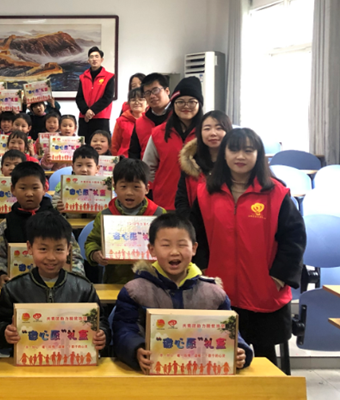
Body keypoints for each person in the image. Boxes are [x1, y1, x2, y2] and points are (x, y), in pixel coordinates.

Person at [189, 128, 306, 368]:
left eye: (248, 150)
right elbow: (195, 237)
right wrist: (202, 272)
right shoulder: (205, 193)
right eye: (233, 150)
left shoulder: (277, 193)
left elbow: (294, 239)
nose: (240, 156)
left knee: (264, 363)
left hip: (265, 291)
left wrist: (279, 277)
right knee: (221, 359)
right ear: (223, 154)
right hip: (219, 290)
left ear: (258, 155)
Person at [111, 213, 253, 373]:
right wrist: (136, 349)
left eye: (182, 245)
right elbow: (124, 330)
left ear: (194, 248)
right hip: (152, 373)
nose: (174, 252)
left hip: (203, 374)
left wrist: (239, 350)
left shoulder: (214, 294)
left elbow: (230, 332)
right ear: (152, 249)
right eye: (166, 245)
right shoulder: (135, 291)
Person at [0, 211, 109, 351]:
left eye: (59, 249)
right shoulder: (13, 289)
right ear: (29, 248)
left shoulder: (84, 288)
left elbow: (100, 322)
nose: (51, 257)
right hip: (29, 358)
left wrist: (102, 334)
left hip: (71, 358)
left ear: (69, 249)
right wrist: (5, 333)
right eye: (43, 249)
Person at [0, 162, 84, 287]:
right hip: (20, 286)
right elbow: (1, 257)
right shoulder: (7, 224)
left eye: (35, 188)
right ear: (13, 190)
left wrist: (76, 280)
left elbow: (74, 256)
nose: (29, 193)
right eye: (23, 188)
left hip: (58, 286)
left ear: (45, 188)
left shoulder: (59, 222)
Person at [85, 158, 166, 284]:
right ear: (114, 187)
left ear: (147, 188)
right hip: (115, 280)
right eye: (123, 186)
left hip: (153, 282)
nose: (129, 192)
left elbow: (168, 244)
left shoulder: (159, 215)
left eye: (136, 187)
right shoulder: (106, 215)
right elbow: (92, 242)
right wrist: (95, 254)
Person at [143, 76, 203, 211]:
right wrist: (158, 187)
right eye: (180, 101)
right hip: (165, 203)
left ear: (199, 104)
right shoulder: (159, 133)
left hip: (200, 204)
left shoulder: (207, 134)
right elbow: (148, 168)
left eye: (192, 101)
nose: (186, 106)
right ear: (173, 104)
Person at [176, 110, 232, 219]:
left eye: (219, 128)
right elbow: (181, 199)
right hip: (194, 224)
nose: (213, 133)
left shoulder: (235, 164)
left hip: (226, 223)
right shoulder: (191, 161)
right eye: (207, 128)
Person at [76, 46, 115, 143]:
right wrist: (86, 111)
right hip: (84, 117)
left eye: (96, 56)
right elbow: (79, 98)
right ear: (88, 60)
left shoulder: (109, 77)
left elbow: (108, 97)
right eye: (91, 57)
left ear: (101, 60)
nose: (94, 59)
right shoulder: (82, 77)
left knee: (101, 145)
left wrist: (92, 110)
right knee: (84, 145)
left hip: (101, 117)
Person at [128, 73, 171, 160]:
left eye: (156, 90)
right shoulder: (140, 123)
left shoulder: (179, 117)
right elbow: (134, 154)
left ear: (167, 91)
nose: (152, 96)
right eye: (147, 93)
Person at [53, 145, 100, 217]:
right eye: (79, 165)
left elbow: (110, 203)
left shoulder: (103, 185)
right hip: (70, 221)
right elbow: (55, 202)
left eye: (89, 165)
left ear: (97, 168)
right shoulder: (64, 183)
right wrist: (57, 206)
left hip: (95, 221)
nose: (84, 169)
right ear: (73, 167)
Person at [112, 87, 147, 157]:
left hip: (145, 159)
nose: (137, 102)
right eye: (133, 100)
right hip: (125, 159)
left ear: (147, 103)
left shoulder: (150, 121)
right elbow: (114, 145)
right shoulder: (121, 121)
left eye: (140, 99)